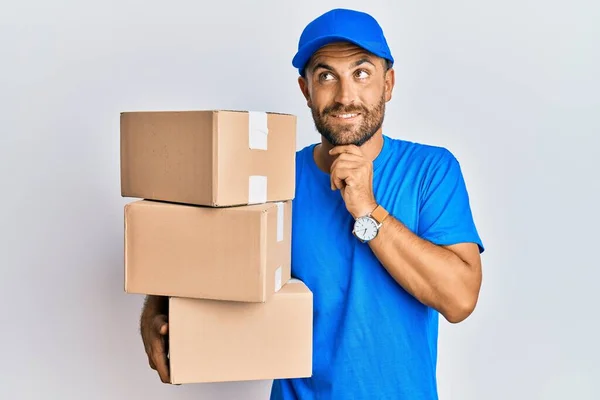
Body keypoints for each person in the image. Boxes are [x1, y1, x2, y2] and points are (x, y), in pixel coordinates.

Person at [139, 7, 485, 400]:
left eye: (361, 73)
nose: (345, 96)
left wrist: (369, 210)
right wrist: (159, 308)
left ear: (388, 84)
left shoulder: (431, 170)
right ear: (305, 90)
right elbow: (208, 258)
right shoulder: (272, 179)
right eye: (325, 76)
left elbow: (459, 299)